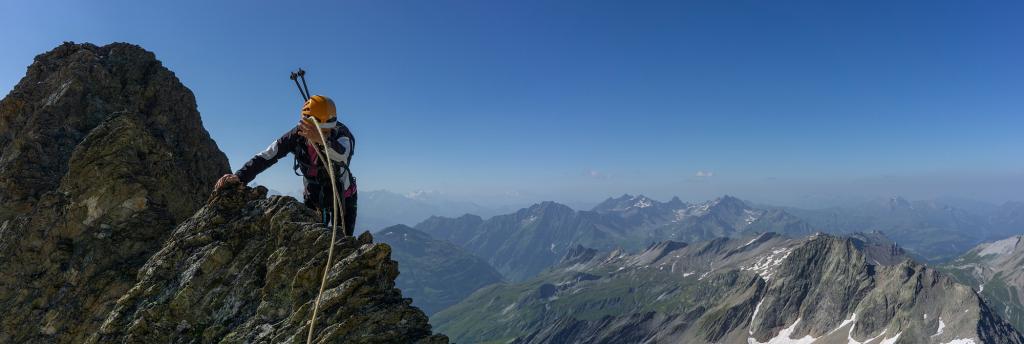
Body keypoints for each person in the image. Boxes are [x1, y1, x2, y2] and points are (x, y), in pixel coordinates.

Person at [215, 95, 357, 236]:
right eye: (322, 130)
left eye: (328, 131)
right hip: (313, 197)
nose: (327, 133)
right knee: (311, 238)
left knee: (344, 240)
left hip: (343, 197)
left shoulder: (341, 134)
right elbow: (267, 156)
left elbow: (343, 155)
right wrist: (240, 176)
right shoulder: (296, 136)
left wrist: (322, 140)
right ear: (306, 124)